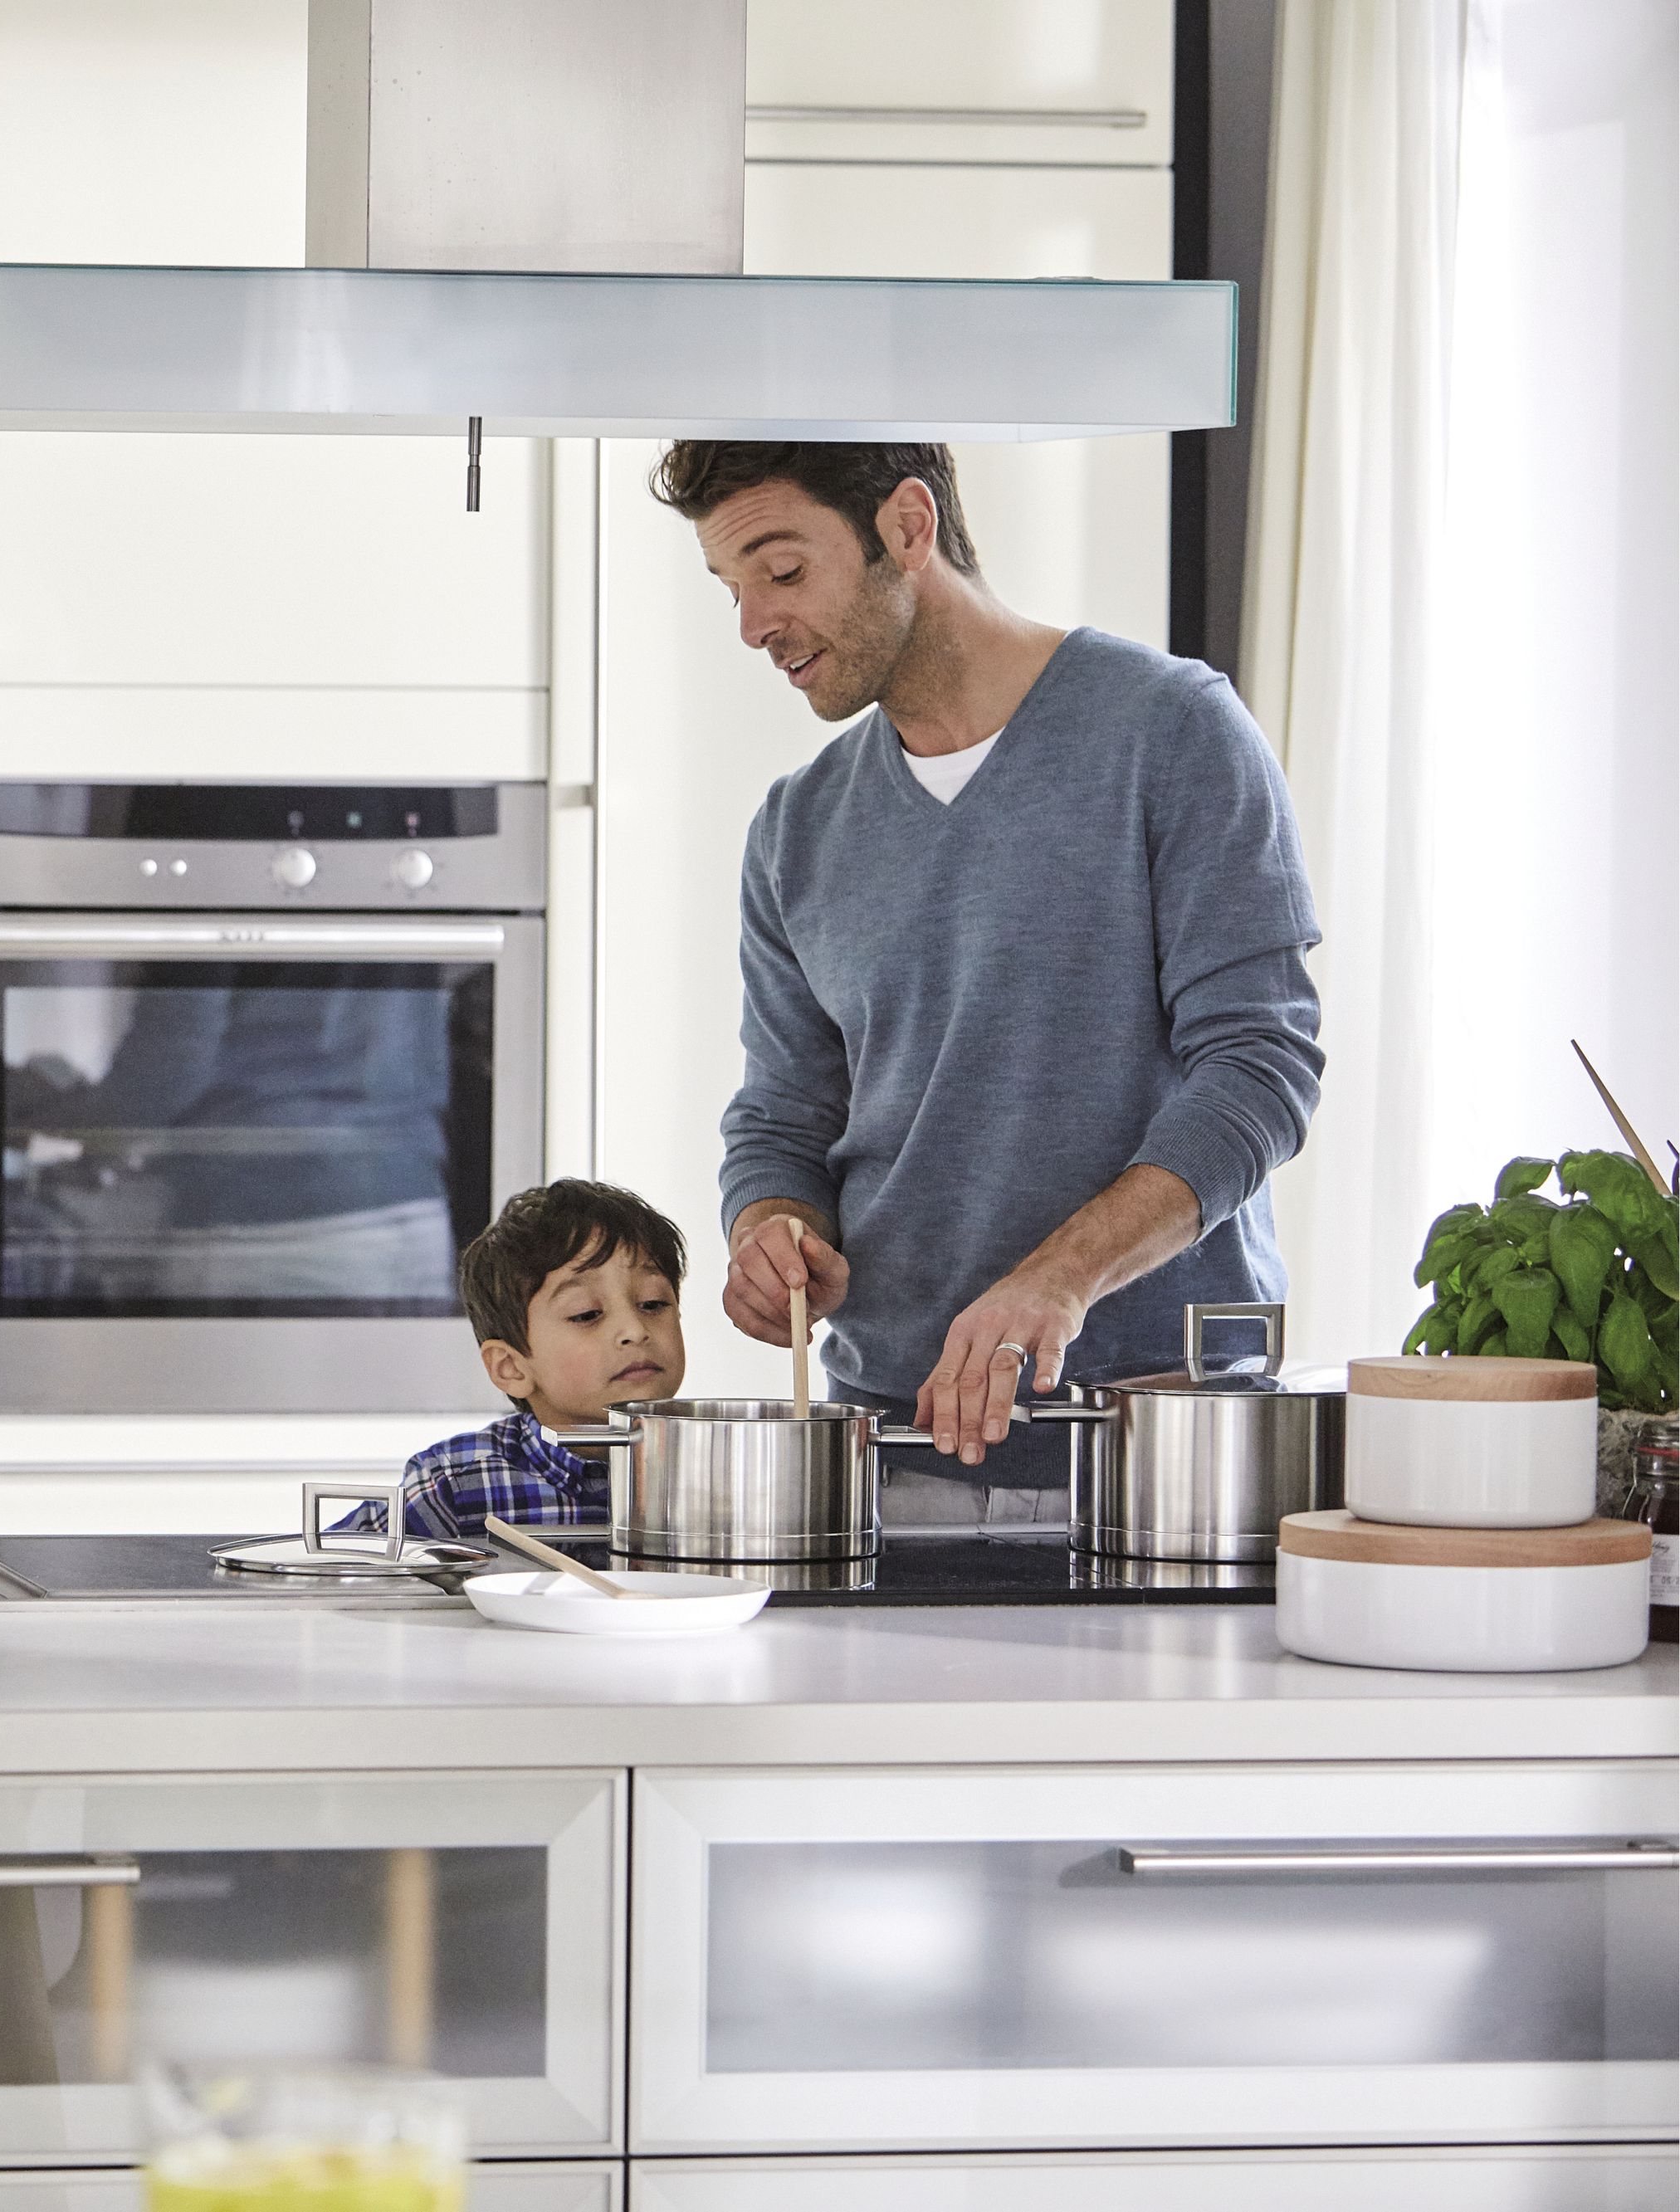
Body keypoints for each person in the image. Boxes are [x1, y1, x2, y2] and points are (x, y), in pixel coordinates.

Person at [651, 441, 1323, 1515]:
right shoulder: (798, 827)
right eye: (732, 591)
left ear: (907, 530)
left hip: (1156, 1448)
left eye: (781, 573)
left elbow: (1261, 1072)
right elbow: (783, 1116)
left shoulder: (1172, 734)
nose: (753, 626)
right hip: (893, 1453)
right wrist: (772, 1230)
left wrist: (1058, 1280)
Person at [349, 1180, 689, 1541]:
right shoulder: (456, 1484)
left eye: (653, 1303)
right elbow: (330, 1567)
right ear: (511, 1368)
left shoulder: (726, 1468)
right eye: (587, 1313)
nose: (635, 1330)